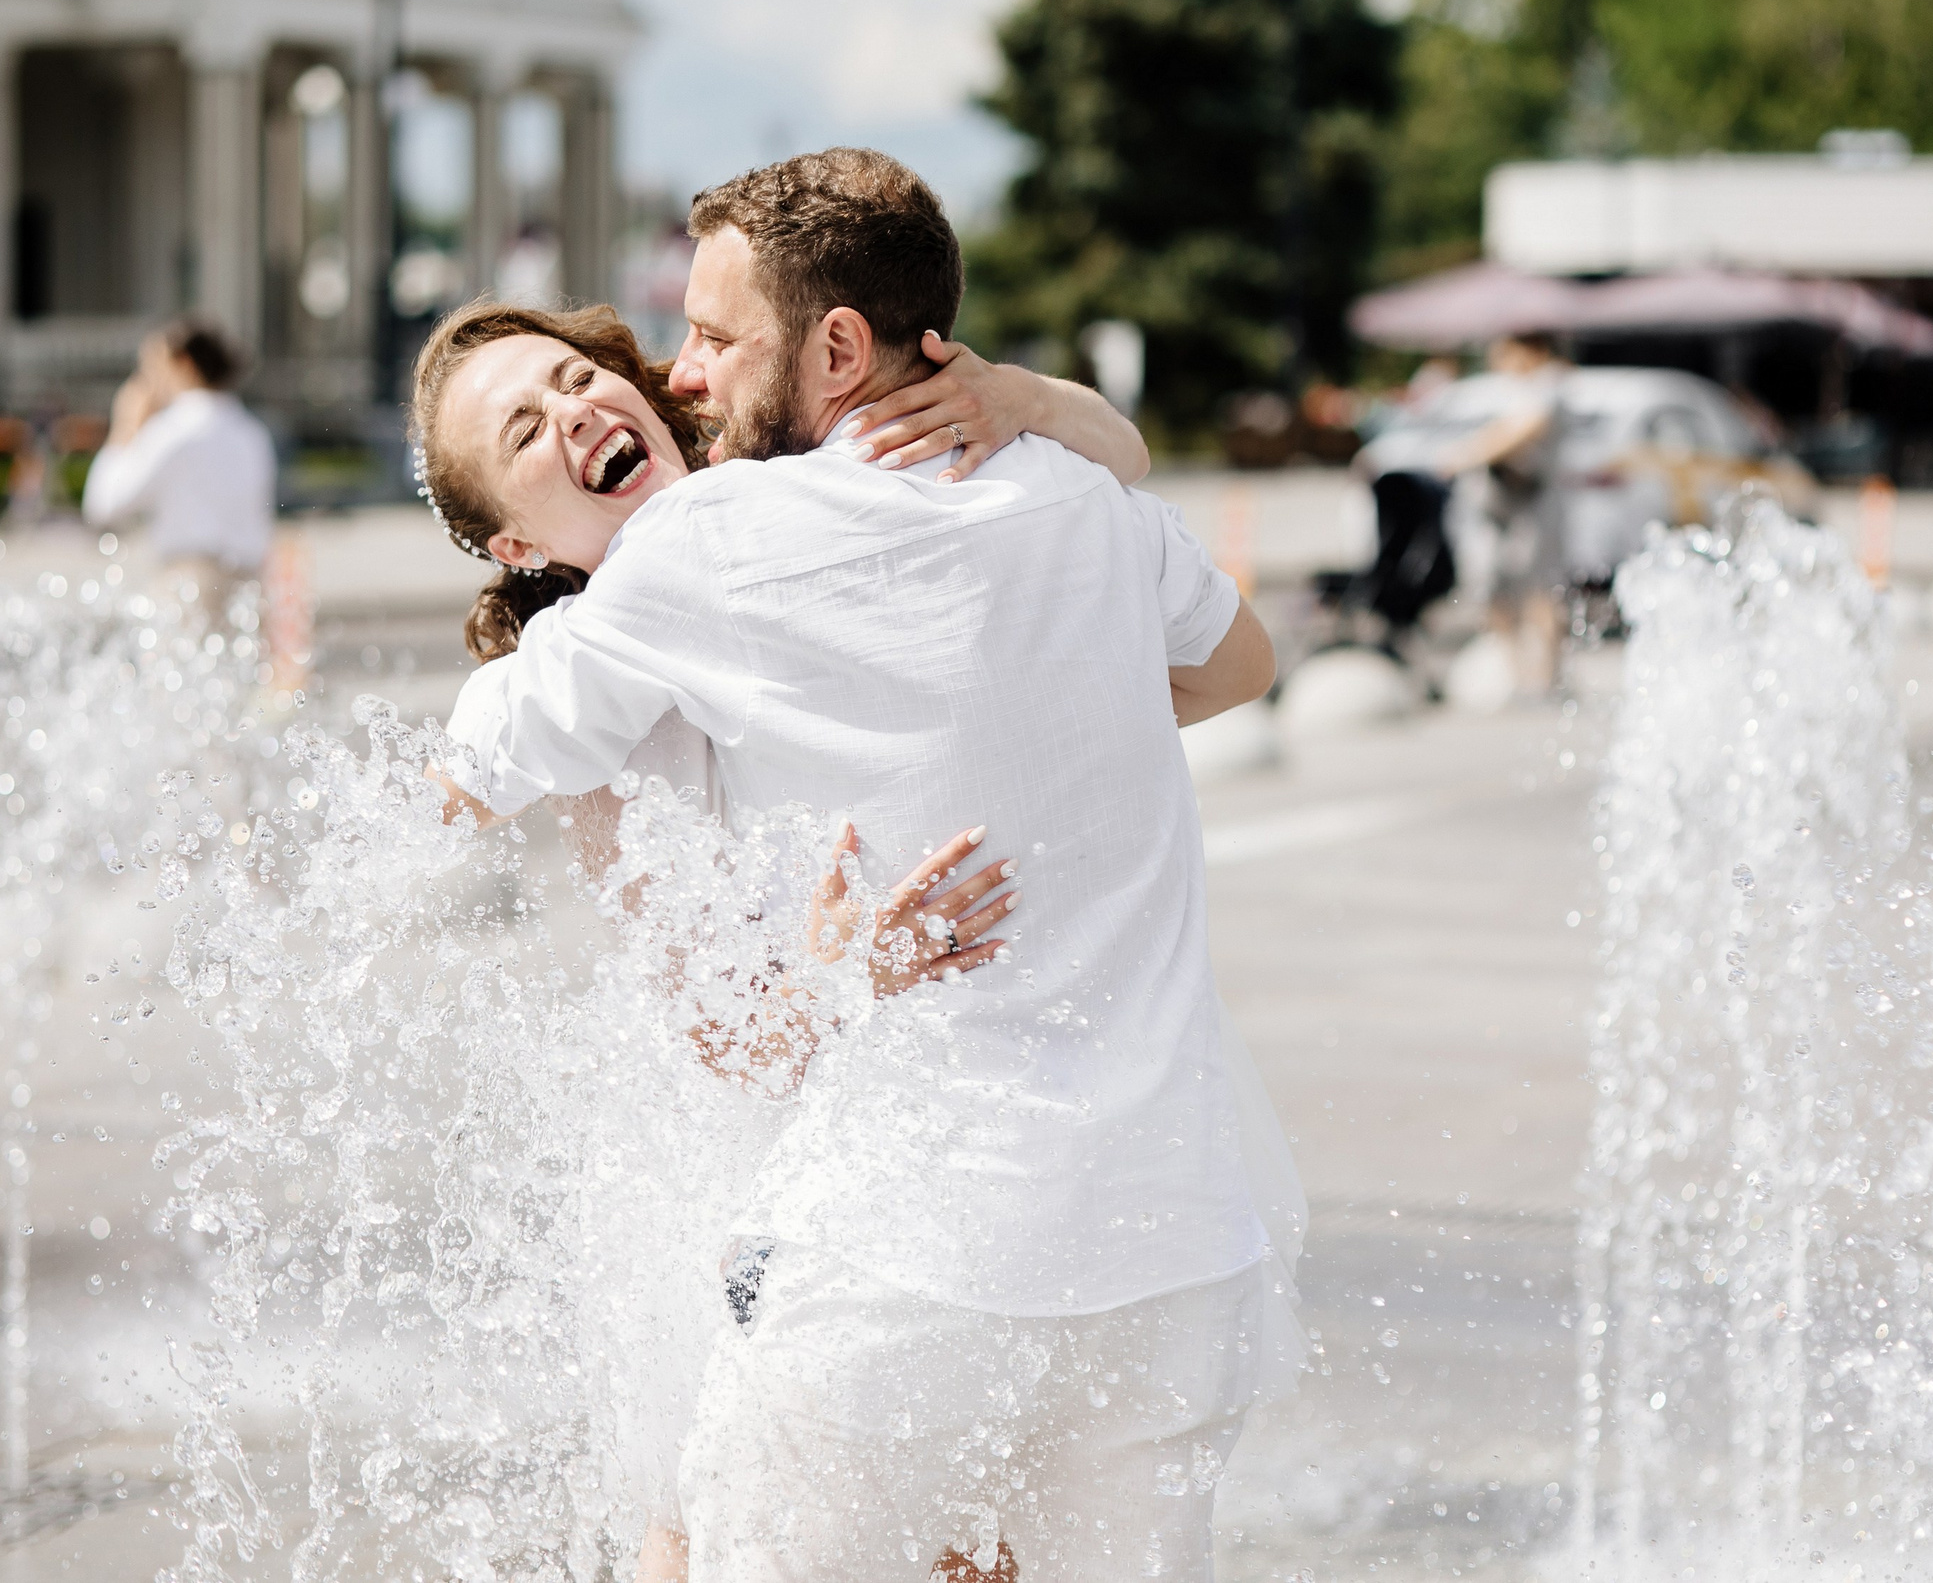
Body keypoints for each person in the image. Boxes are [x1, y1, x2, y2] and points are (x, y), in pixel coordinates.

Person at [427, 148, 1299, 1582]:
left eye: (619, 369)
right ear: (517, 537)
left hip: (915, 1220)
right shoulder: (636, 692)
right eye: (526, 427)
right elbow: (724, 1038)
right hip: (899, 1201)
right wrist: (853, 966)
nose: (664, 379)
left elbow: (458, 771)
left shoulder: (727, 523)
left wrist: (1018, 398)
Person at [83, 318, 277, 616]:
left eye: (152, 368)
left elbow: (105, 504)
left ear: (183, 363)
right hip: (248, 584)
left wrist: (125, 427)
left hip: (189, 585)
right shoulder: (252, 433)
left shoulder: (173, 430)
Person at [1434, 331, 1573, 696]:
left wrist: (1468, 453)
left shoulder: (1550, 386)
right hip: (1497, 504)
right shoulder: (1511, 390)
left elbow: (1520, 430)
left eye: (1504, 353)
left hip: (1535, 502)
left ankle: (1547, 676)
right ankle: (1515, 670)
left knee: (1541, 589)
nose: (1498, 362)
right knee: (1495, 588)